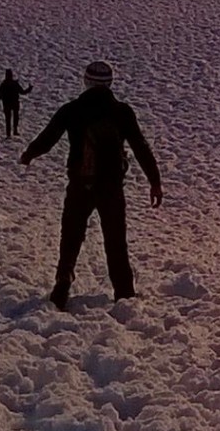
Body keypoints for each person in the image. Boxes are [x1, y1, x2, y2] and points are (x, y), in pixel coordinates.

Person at [21, 61, 163, 310]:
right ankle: (124, 292)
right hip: (111, 187)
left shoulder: (72, 109)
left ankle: (63, 282)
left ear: (86, 81)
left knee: (72, 235)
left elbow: (48, 137)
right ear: (110, 83)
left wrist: (29, 154)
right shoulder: (122, 112)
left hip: (80, 184)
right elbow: (140, 146)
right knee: (115, 239)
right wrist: (154, 181)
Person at [0, 69, 33, 138]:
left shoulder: (4, 84)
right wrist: (29, 89)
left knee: (8, 119)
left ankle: (9, 133)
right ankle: (14, 131)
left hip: (7, 104)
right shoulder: (14, 84)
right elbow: (22, 92)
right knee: (14, 117)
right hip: (14, 103)